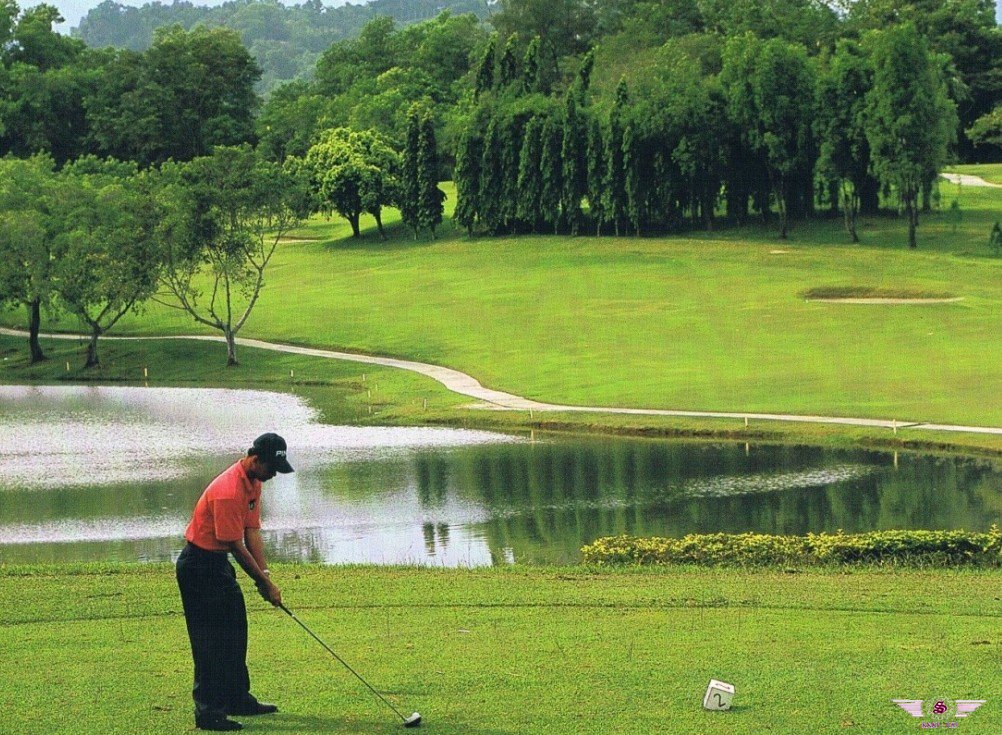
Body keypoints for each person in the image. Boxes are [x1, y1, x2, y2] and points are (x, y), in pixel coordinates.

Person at [176, 432, 293, 731]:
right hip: (199, 567)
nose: (273, 476)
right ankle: (208, 712)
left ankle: (237, 698)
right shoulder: (228, 490)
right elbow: (235, 545)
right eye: (271, 469)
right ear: (255, 459)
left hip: (217, 565)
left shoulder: (254, 481)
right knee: (209, 640)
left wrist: (265, 577)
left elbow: (251, 531)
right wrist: (264, 586)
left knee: (235, 630)